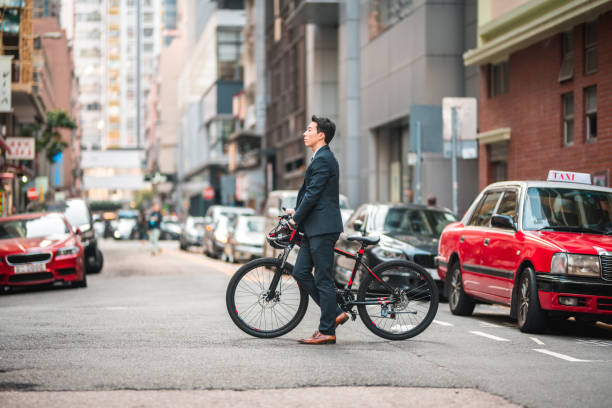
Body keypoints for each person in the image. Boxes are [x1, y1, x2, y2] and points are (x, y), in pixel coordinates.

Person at [286, 115, 346, 345]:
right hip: (314, 227)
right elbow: (311, 193)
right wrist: (296, 212)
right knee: (300, 272)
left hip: (322, 227)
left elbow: (313, 194)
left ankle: (327, 329)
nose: (305, 133)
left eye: (309, 129)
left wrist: (296, 219)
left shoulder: (324, 159)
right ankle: (335, 312)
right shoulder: (318, 158)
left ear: (321, 135)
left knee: (323, 279)